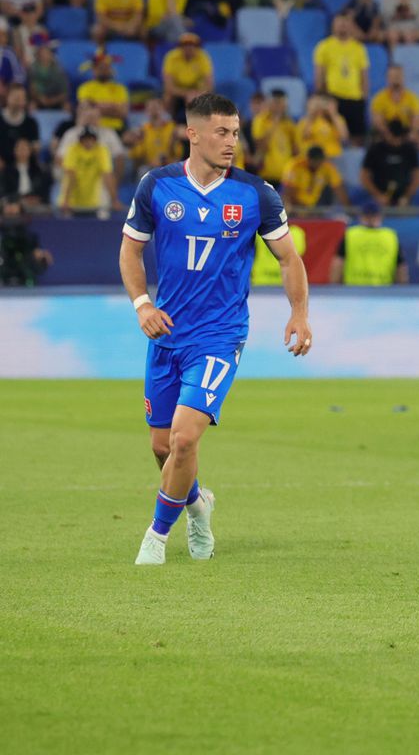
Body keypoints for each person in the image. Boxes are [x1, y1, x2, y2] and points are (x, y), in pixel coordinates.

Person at [119, 92, 311, 566]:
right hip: (167, 334)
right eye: (222, 132)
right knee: (163, 447)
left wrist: (299, 313)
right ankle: (198, 507)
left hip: (220, 337)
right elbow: (130, 250)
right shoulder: (157, 186)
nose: (231, 142)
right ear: (194, 134)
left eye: (236, 133)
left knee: (185, 438)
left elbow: (289, 258)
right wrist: (143, 305)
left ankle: (156, 538)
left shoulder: (255, 194)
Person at [314, 12, 370, 142]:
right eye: (339, 22)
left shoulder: (359, 48)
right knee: (334, 136)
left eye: (345, 23)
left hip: (355, 98)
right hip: (334, 98)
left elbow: (364, 75)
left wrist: (364, 97)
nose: (342, 26)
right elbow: (319, 75)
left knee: (357, 138)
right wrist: (322, 98)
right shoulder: (324, 46)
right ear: (333, 25)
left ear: (350, 25)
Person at [330, 200, 407, 284]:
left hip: (354, 287)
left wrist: (335, 286)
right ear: (379, 216)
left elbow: (338, 263)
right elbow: (400, 267)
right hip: (382, 287)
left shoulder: (351, 234)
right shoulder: (390, 236)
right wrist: (402, 287)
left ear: (361, 216)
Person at [58, 127, 121, 215]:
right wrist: (66, 200)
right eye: (85, 139)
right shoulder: (73, 150)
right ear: (80, 140)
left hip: (92, 202)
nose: (88, 142)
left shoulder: (101, 150)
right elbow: (71, 176)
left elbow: (107, 176)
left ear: (95, 140)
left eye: (90, 139)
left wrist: (114, 200)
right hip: (71, 203)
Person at [361, 120, 419, 208]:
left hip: (404, 198)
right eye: (393, 137)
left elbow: (417, 176)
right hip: (378, 197)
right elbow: (364, 176)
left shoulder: (409, 150)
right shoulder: (375, 149)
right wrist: (377, 195)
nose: (396, 141)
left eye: (398, 137)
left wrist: (407, 196)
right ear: (387, 134)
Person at [252, 89, 299, 185]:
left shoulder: (289, 123)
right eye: (277, 103)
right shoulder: (261, 120)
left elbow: (295, 149)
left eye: (283, 103)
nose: (280, 106)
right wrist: (275, 122)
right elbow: (260, 145)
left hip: (286, 175)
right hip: (267, 174)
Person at [282, 145, 350, 211]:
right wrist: (299, 209)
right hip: (295, 206)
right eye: (315, 161)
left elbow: (339, 189)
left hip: (313, 206)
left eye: (320, 161)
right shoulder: (296, 166)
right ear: (308, 159)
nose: (318, 164)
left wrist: (348, 209)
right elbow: (288, 192)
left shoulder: (327, 167)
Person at [128, 97, 183, 176]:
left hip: (169, 165)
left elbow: (178, 154)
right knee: (142, 171)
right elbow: (137, 156)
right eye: (151, 108)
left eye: (156, 107)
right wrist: (136, 141)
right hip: (149, 167)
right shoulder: (143, 130)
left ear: (163, 109)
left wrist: (173, 143)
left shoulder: (172, 127)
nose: (154, 111)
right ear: (146, 111)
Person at [162, 33, 214, 117]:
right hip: (177, 89)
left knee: (194, 99)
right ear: (180, 47)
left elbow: (209, 85)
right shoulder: (171, 57)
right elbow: (168, 86)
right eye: (185, 45)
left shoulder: (203, 57)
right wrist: (186, 93)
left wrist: (198, 93)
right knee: (167, 98)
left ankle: (194, 122)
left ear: (197, 47)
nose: (189, 47)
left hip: (196, 89)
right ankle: (168, 121)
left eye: (192, 45)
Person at [77, 51, 130, 132]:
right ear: (93, 69)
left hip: (116, 129)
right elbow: (86, 109)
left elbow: (123, 113)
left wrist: (95, 105)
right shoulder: (85, 87)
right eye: (100, 68)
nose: (104, 70)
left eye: (106, 67)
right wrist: (113, 107)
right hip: (92, 129)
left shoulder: (120, 88)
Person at [370, 65, 419, 140]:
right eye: (392, 77)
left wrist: (410, 135)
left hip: (406, 132)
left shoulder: (414, 99)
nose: (395, 80)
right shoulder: (378, 99)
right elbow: (378, 123)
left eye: (398, 77)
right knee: (375, 137)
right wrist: (390, 138)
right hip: (385, 132)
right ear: (387, 78)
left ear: (403, 78)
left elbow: (417, 122)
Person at [2, 137, 50, 208]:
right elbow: (4, 192)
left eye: (25, 148)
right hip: (14, 203)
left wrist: (35, 199)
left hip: (34, 204)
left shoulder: (38, 171)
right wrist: (17, 200)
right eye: (20, 149)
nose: (22, 151)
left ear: (30, 151)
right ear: (14, 151)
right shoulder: (7, 171)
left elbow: (43, 191)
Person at [28, 35, 69, 110]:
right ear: (38, 55)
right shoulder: (33, 69)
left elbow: (64, 90)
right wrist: (41, 99)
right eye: (42, 53)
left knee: (67, 107)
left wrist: (53, 100)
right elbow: (32, 88)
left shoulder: (59, 70)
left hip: (56, 99)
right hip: (38, 100)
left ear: (51, 55)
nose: (45, 55)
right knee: (31, 106)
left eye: (47, 53)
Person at [0, 83, 38, 163]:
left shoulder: (31, 123)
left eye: (22, 98)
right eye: (16, 98)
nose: (19, 102)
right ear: (7, 97)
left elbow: (35, 148)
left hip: (23, 164)